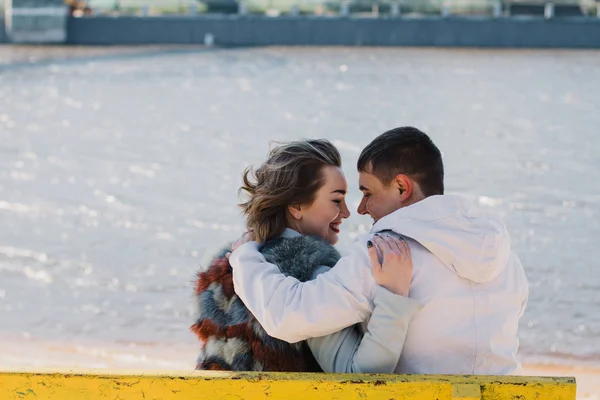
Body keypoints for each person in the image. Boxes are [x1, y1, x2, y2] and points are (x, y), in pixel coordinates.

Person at [229, 127, 530, 375]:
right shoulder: (506, 259)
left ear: (401, 188)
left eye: (367, 193)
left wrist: (244, 257)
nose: (360, 209)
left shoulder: (387, 253)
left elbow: (290, 316)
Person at [191, 139, 422, 372]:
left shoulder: (226, 268)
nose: (347, 212)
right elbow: (360, 375)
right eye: (336, 200)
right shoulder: (310, 275)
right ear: (296, 206)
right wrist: (393, 297)